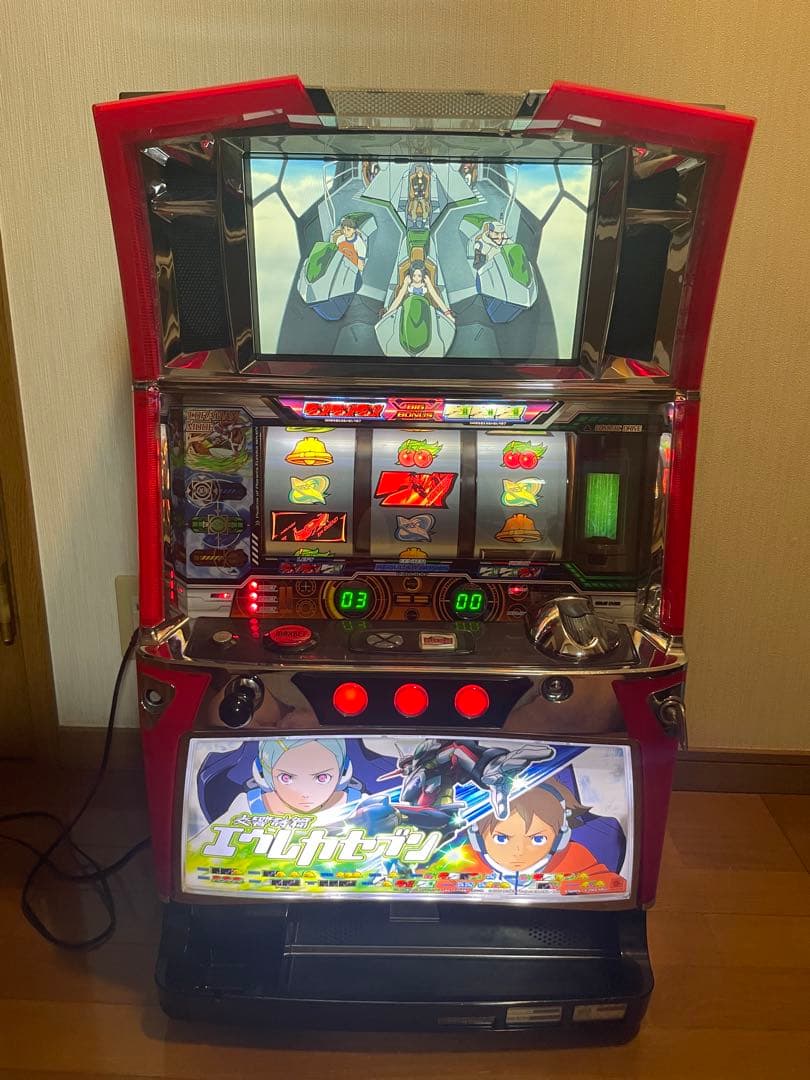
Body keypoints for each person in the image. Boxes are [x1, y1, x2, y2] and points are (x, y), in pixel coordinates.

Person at [466, 779, 620, 882]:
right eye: (501, 838)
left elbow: (610, 883)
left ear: (561, 838)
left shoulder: (574, 856)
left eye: (537, 839)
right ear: (476, 837)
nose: (519, 851)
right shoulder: (464, 860)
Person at [381, 260, 454, 322]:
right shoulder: (408, 280)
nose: (416, 278)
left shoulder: (426, 280)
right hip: (410, 306)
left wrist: (447, 314)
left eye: (419, 276)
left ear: (423, 275)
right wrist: (388, 313)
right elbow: (399, 297)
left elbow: (435, 296)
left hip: (423, 307)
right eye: (414, 275)